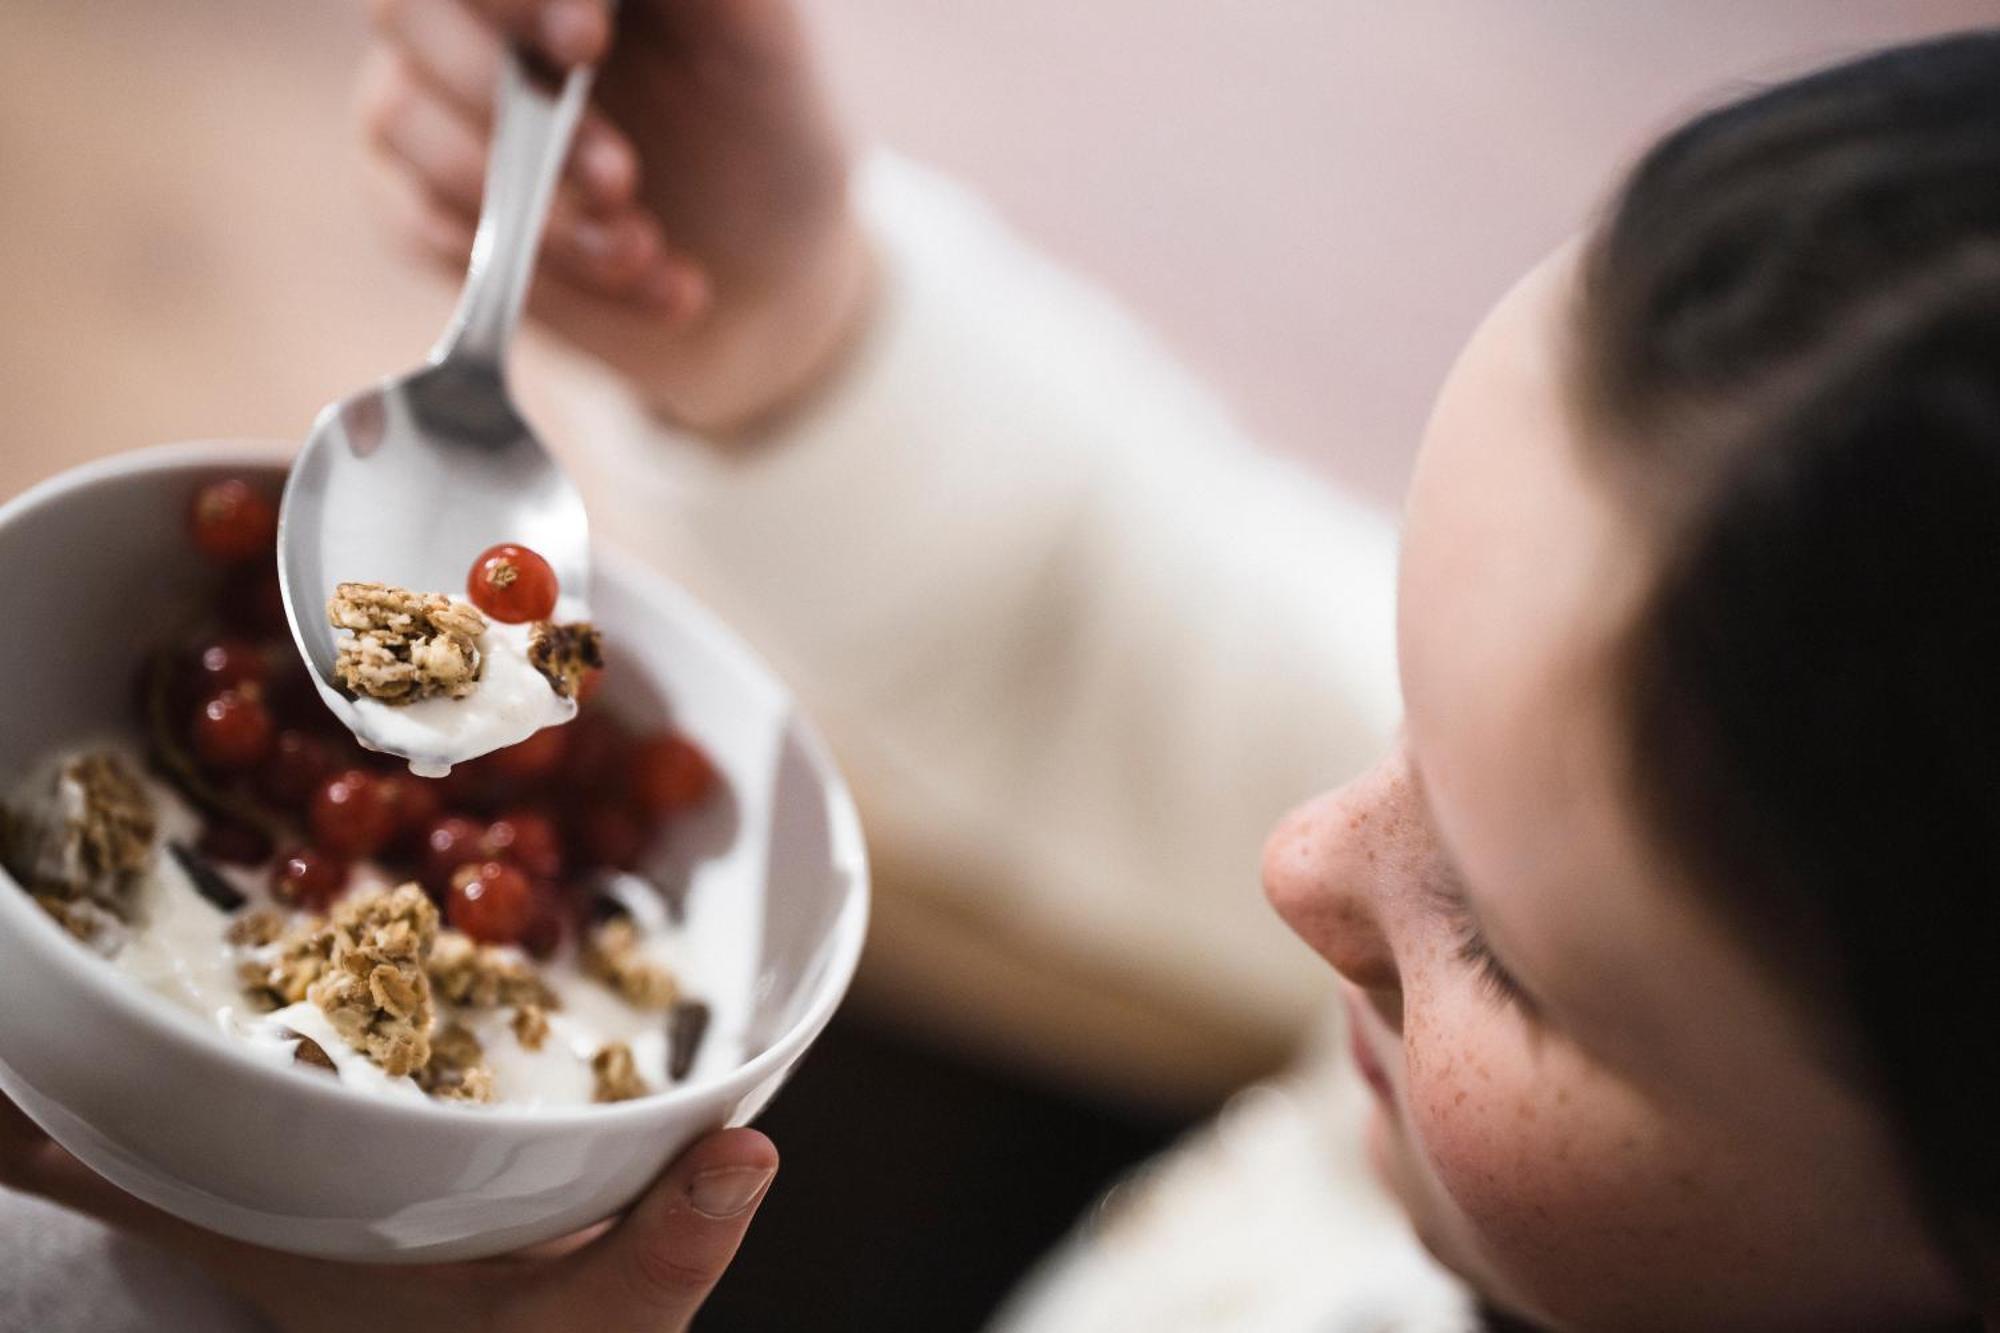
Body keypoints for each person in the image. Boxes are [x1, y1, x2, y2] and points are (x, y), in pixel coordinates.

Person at [3, 3, 1998, 1329]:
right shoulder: (1708, 840)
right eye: (1400, 694)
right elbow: (1115, 632)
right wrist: (790, 328)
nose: (1299, 851)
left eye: (1501, 945)